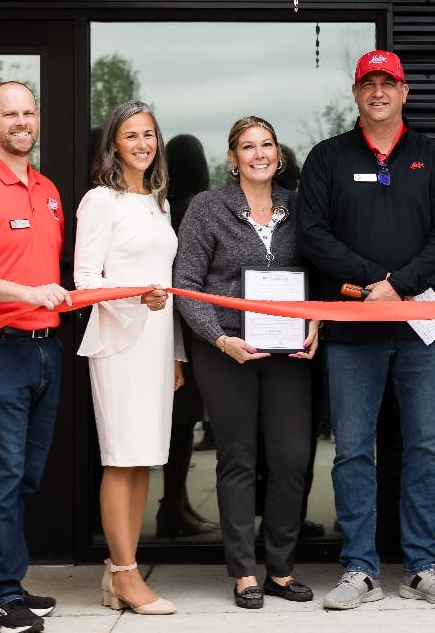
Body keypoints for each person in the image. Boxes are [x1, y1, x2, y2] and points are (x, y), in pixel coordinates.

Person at [297, 49, 435, 609]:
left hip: (421, 327)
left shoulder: (433, 158)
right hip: (354, 330)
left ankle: (422, 566)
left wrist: (401, 285)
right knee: (351, 451)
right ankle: (359, 569)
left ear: (404, 91)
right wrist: (375, 281)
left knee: (425, 448)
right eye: (368, 83)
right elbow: (313, 233)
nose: (378, 92)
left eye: (387, 83)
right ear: (355, 93)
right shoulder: (327, 157)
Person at [174, 115, 319, 609]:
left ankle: (280, 569)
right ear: (232, 159)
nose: (260, 154)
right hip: (226, 350)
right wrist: (218, 339)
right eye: (248, 147)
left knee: (292, 458)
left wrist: (316, 322)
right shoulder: (207, 208)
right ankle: (243, 573)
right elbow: (186, 285)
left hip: (287, 351)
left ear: (278, 154)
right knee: (237, 457)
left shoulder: (300, 207)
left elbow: (320, 272)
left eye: (267, 144)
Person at [0, 81, 69, 633]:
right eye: (10, 114)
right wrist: (26, 294)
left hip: (44, 348)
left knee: (22, 476)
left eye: (29, 112)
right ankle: (1, 596)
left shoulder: (48, 190)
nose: (21, 122)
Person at [74, 100, 180, 616]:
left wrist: (177, 355)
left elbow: (169, 285)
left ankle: (120, 568)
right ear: (114, 144)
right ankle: (126, 575)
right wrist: (135, 299)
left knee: (143, 458)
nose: (143, 144)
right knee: (121, 457)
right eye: (131, 135)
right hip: (118, 342)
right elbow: (85, 280)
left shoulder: (160, 202)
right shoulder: (101, 200)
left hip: (157, 345)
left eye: (149, 134)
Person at [155, 133, 218, 539]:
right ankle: (172, 507)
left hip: (166, 325)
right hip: (188, 331)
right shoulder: (194, 209)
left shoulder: (162, 209)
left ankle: (177, 503)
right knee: (181, 424)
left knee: (177, 423)